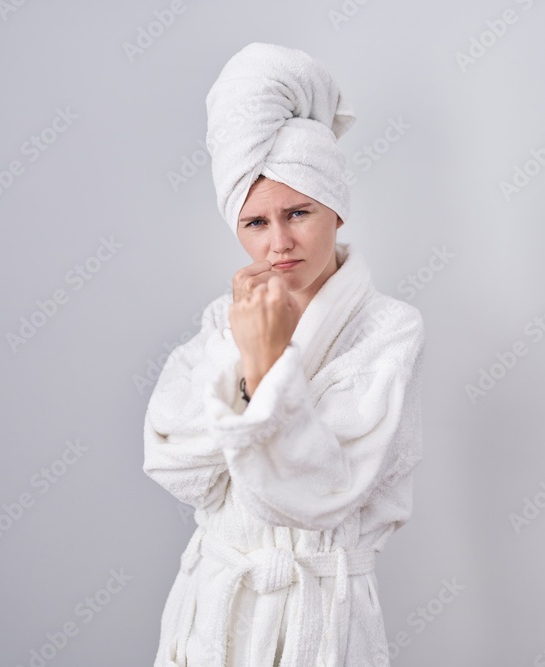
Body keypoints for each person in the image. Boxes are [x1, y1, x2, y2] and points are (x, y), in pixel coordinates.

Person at [142, 42, 425, 667]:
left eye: (299, 213)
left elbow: (319, 491)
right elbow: (173, 466)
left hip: (317, 622)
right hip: (214, 614)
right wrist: (243, 349)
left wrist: (265, 362)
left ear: (337, 211)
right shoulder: (225, 319)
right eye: (255, 223)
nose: (279, 244)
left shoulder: (388, 329)